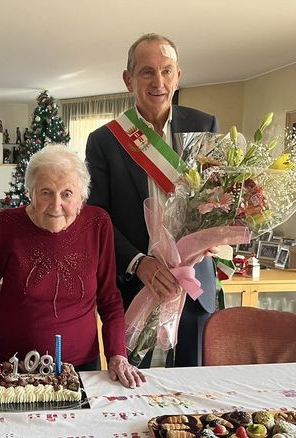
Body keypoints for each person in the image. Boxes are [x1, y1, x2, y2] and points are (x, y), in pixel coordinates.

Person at [0, 145, 145, 393]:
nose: (56, 204)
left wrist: (118, 356)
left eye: (67, 194)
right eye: (46, 193)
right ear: (30, 193)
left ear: (82, 197)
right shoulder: (7, 225)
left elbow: (110, 300)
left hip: (81, 369)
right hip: (11, 368)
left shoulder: (98, 223)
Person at [85, 33, 219, 368]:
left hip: (194, 286)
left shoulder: (204, 126)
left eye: (166, 70)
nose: (158, 81)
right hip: (136, 288)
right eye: (147, 71)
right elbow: (97, 217)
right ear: (128, 79)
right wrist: (137, 263)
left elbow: (220, 195)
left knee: (195, 388)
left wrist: (219, 232)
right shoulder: (104, 141)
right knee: (133, 384)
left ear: (178, 75)